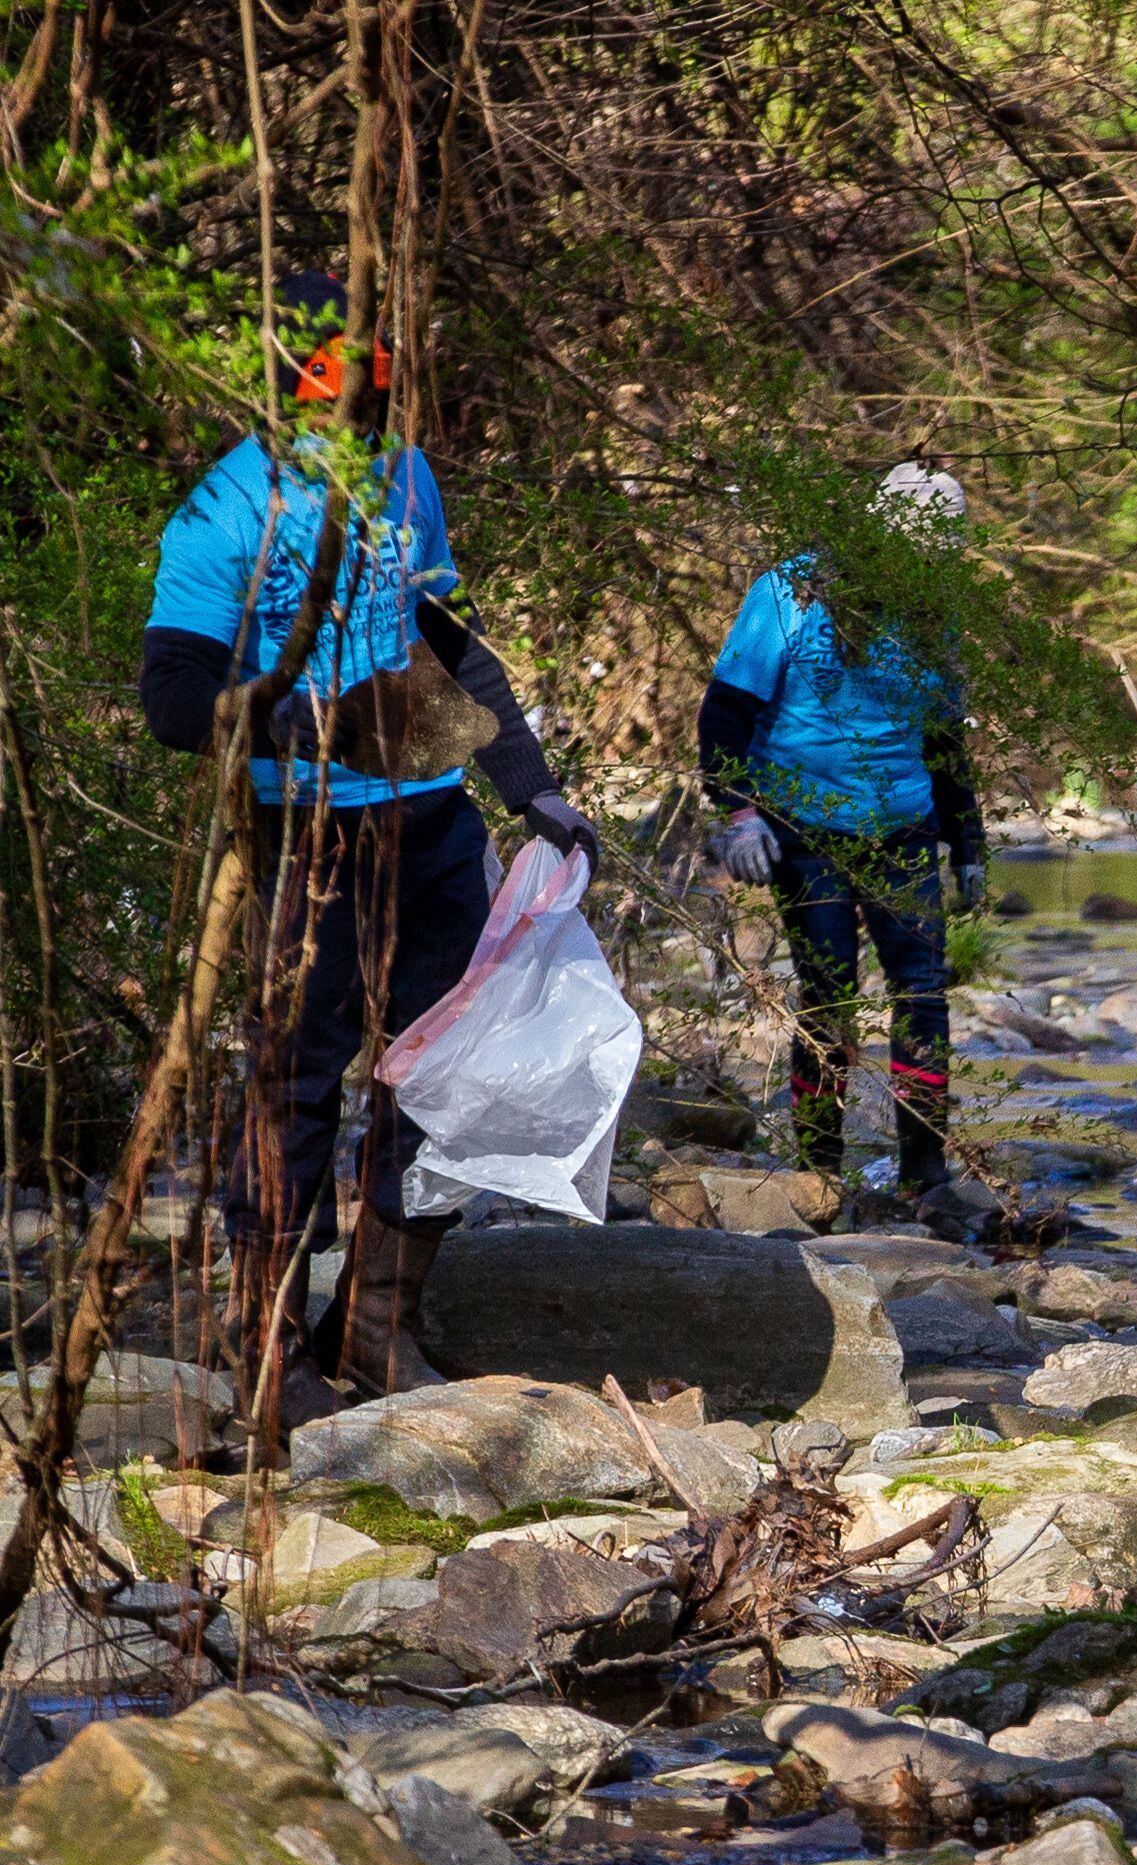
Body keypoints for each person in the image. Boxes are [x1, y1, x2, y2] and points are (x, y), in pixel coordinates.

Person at [140, 271, 600, 1417]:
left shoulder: (406, 477)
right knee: (292, 1092)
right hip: (305, 837)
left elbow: (447, 636)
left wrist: (530, 785)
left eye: (379, 386)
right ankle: (267, 1358)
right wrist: (294, 716)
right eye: (342, 386)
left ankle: (376, 1329)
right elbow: (170, 695)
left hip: (432, 823)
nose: (364, 413)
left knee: (439, 1082)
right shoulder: (224, 507)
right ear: (292, 383)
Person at [702, 463, 987, 1210]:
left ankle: (926, 1175)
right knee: (827, 996)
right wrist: (738, 815)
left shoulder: (934, 610)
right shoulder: (788, 594)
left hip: (901, 827)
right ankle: (819, 1172)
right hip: (804, 825)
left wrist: (969, 843)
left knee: (922, 997)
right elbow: (725, 712)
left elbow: (943, 736)